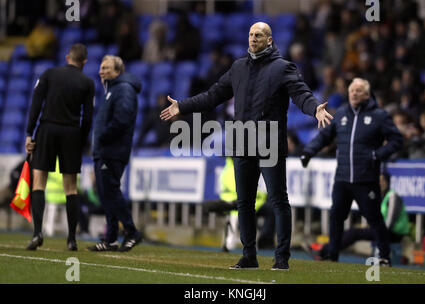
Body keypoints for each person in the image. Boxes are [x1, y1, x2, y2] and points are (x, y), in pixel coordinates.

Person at [160, 22, 333, 270]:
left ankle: (281, 258)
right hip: (242, 141)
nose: (253, 38)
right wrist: (183, 106)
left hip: (270, 142)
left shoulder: (283, 67)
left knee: (278, 200)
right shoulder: (238, 67)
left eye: (259, 35)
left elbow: (300, 94)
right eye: (251, 34)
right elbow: (213, 95)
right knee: (244, 203)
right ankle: (248, 255)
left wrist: (314, 108)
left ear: (270, 40)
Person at [300, 78, 403, 266]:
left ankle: (384, 256)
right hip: (342, 177)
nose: (354, 93)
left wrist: (377, 154)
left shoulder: (379, 116)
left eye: (358, 90)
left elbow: (397, 139)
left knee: (374, 218)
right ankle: (332, 255)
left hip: (366, 178)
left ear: (366, 94)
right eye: (352, 90)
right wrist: (308, 152)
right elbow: (324, 136)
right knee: (336, 216)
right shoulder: (340, 114)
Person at [25, 43, 95, 251]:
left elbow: (36, 104)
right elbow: (88, 117)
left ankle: (38, 233)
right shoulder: (87, 82)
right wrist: (81, 140)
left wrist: (30, 132)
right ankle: (71, 239)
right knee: (71, 187)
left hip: (47, 129)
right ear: (84, 62)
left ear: (67, 58)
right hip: (71, 132)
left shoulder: (49, 74)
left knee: (39, 182)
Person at [87, 55, 142, 252]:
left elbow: (122, 120)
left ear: (118, 71)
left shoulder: (123, 89)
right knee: (105, 194)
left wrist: (102, 137)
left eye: (107, 68)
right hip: (105, 150)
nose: (102, 71)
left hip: (113, 151)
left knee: (111, 191)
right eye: (101, 68)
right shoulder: (112, 90)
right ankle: (110, 238)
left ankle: (131, 231)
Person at [310, 171, 410, 261]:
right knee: (352, 232)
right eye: (379, 180)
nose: (380, 183)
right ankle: (327, 250)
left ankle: (325, 250)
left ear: (388, 182)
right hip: (383, 230)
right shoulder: (379, 195)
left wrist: (375, 229)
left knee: (354, 233)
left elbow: (389, 222)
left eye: (383, 180)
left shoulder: (392, 196)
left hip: (394, 233)